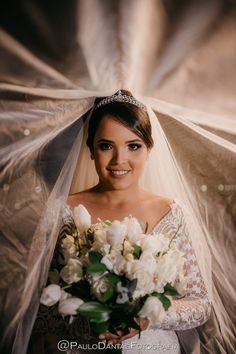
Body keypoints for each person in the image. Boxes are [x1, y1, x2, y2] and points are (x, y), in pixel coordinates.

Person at [29, 90, 212, 354]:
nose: (119, 160)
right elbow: (36, 306)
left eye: (133, 145)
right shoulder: (62, 210)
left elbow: (201, 304)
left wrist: (149, 317)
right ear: (90, 148)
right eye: (106, 146)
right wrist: (88, 314)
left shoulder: (171, 212)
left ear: (149, 149)